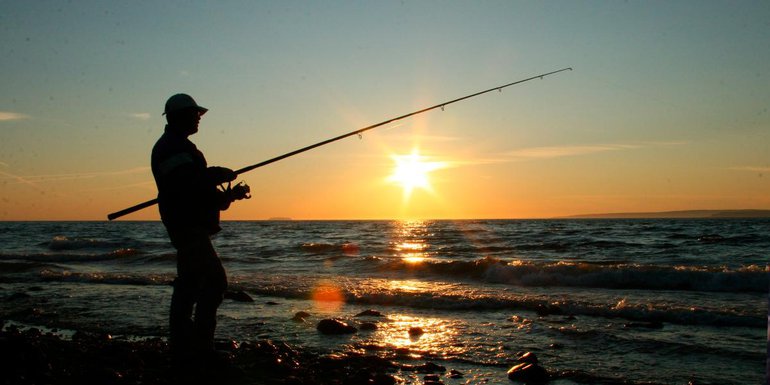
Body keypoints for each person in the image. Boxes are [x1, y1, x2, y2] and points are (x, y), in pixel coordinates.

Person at [151, 93, 250, 367]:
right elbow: (186, 184)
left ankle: (184, 347)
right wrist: (217, 173)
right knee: (215, 282)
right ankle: (199, 348)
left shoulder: (180, 146)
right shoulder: (170, 148)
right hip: (186, 226)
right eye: (195, 114)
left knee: (189, 284)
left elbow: (197, 192)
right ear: (179, 116)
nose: (199, 118)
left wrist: (230, 195)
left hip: (191, 224)